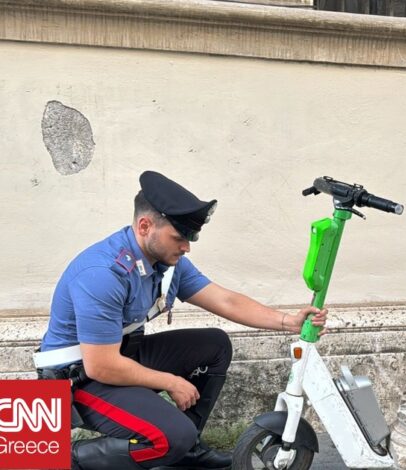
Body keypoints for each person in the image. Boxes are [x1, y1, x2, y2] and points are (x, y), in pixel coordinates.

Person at [35, 171, 328, 470]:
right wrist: (170, 382)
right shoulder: (102, 274)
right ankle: (65, 459)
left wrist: (288, 321)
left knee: (214, 345)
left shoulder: (166, 264)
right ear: (145, 226)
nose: (186, 246)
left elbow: (224, 300)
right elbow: (101, 366)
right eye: (178, 238)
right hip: (80, 379)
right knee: (172, 438)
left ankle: (187, 451)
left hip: (119, 357)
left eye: (189, 238)